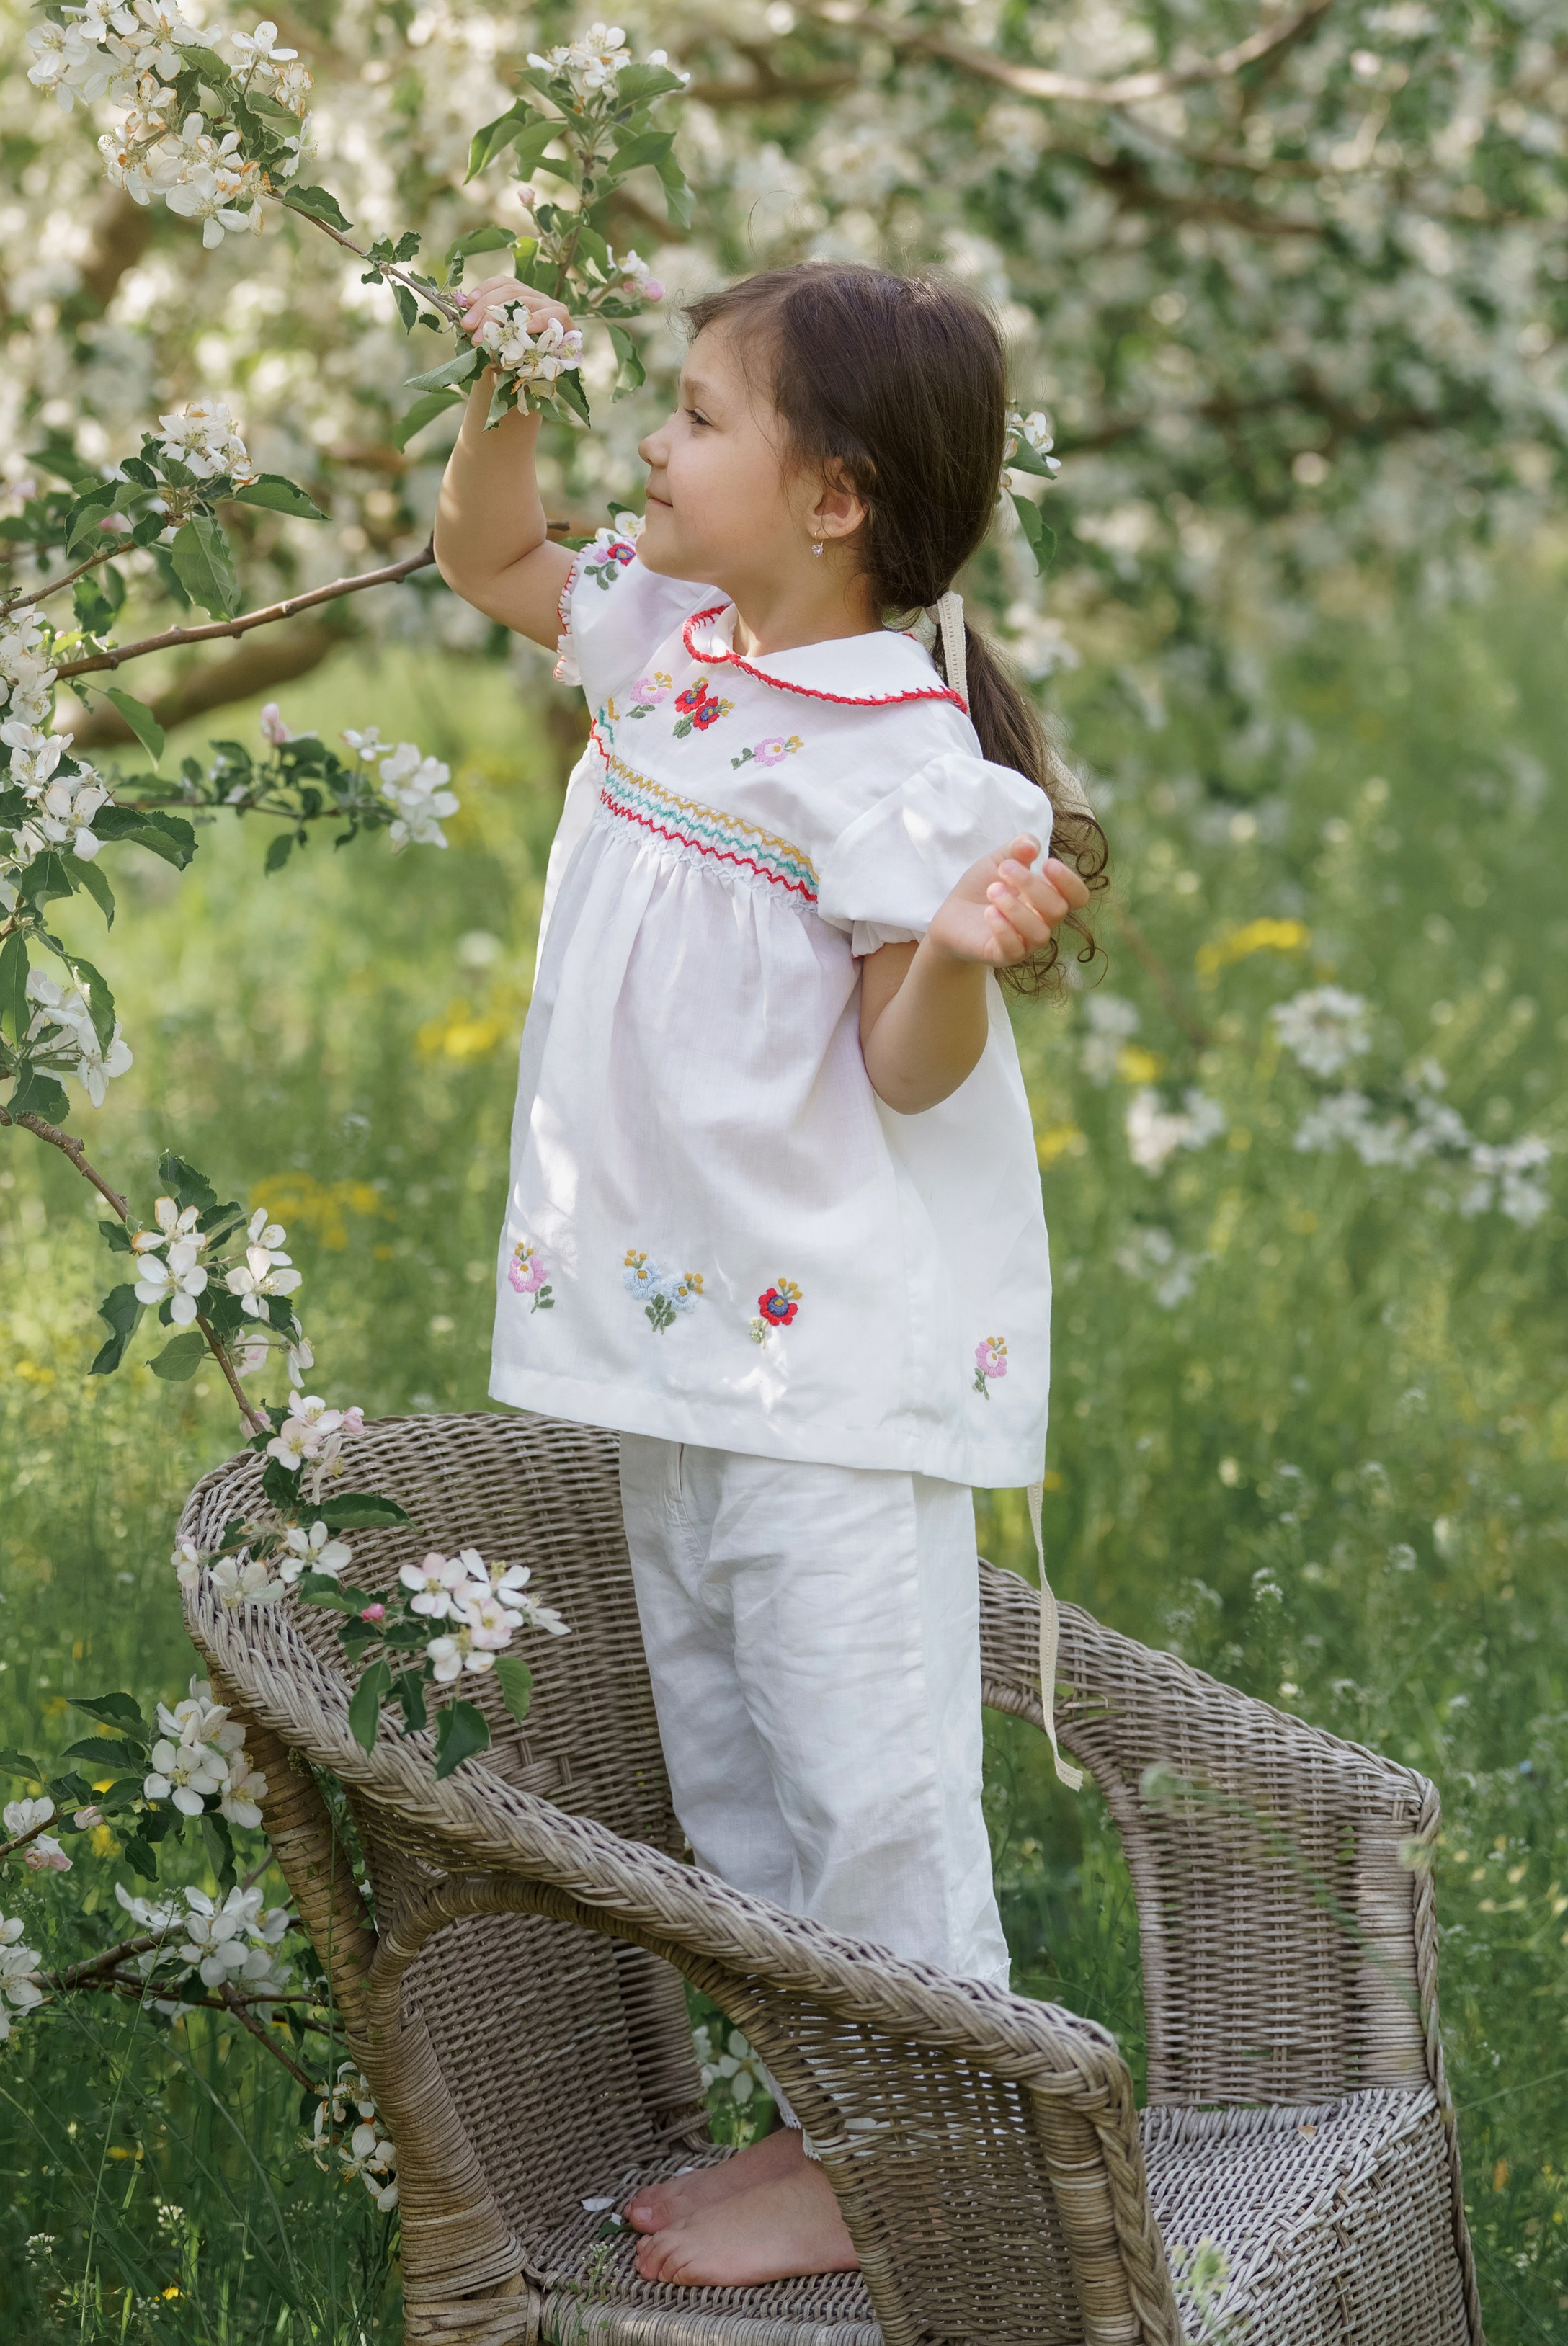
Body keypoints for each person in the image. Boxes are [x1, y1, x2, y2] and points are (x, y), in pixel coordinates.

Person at [432, 260, 1104, 2288]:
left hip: (828, 1374)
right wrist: (500, 377)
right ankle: (836, 2132)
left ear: (833, 495)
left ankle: (946, 2160)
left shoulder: (899, 760)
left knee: (865, 1781)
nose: (654, 442)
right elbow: (489, 550)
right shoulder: (678, 651)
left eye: (698, 415)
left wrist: (964, 963)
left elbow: (901, 1069)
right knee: (733, 1776)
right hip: (678, 1356)